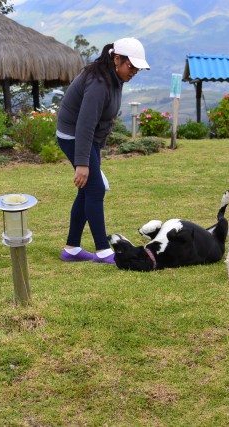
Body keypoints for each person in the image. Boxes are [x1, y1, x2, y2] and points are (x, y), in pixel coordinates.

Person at [56, 37, 150, 264]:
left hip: (86, 139)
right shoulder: (99, 83)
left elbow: (103, 122)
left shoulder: (115, 78)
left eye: (137, 68)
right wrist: (82, 163)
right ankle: (103, 250)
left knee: (87, 190)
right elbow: (85, 124)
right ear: (117, 59)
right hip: (73, 136)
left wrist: (96, 153)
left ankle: (72, 249)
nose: (134, 71)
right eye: (131, 66)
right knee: (95, 189)